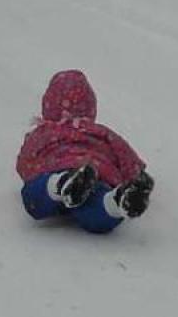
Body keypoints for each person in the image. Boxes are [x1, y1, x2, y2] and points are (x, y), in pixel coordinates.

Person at [16, 70, 155, 234]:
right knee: (96, 207)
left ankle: (59, 184)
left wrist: (31, 175)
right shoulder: (100, 132)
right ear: (90, 106)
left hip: (55, 168)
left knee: (35, 195)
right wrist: (138, 175)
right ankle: (115, 202)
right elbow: (124, 153)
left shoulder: (43, 132)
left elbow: (25, 161)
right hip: (96, 173)